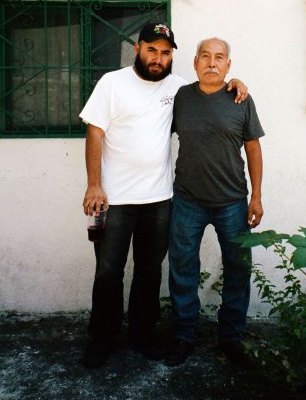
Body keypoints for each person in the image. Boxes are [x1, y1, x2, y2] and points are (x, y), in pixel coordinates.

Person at [80, 23, 247, 369]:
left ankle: (142, 334)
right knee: (108, 271)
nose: (158, 58)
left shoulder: (178, 89)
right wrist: (94, 184)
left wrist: (236, 83)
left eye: (165, 52)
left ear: (172, 56)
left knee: (149, 270)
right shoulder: (112, 83)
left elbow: (210, 96)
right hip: (114, 198)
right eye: (152, 50)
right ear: (138, 49)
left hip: (158, 198)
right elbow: (94, 133)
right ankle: (103, 338)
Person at [166, 37, 264, 367]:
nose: (212, 62)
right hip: (187, 200)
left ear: (228, 65)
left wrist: (257, 197)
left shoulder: (240, 99)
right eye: (205, 57)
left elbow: (253, 148)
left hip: (233, 201)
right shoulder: (180, 97)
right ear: (194, 63)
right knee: (183, 269)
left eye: (219, 57)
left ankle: (231, 337)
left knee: (238, 269)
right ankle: (183, 335)